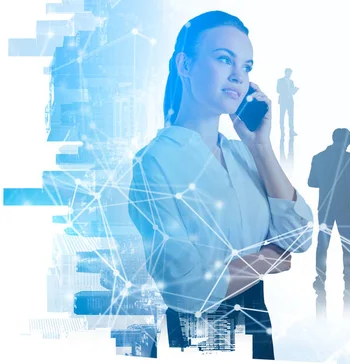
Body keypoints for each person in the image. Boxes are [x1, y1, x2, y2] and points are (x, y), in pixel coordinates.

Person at [127, 11, 313, 360]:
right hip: (197, 341)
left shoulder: (244, 154)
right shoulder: (155, 162)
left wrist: (261, 147)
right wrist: (266, 261)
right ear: (185, 65)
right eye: (224, 59)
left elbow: (300, 238)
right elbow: (186, 287)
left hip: (257, 333)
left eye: (247, 67)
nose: (238, 76)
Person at [308, 128, 350, 318]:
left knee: (322, 244)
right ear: (346, 141)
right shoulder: (347, 157)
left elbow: (311, 182)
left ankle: (320, 278)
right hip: (344, 207)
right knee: (347, 244)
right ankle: (349, 278)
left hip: (325, 206)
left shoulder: (318, 157)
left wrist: (326, 182)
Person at [276, 68, 299, 161]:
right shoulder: (280, 80)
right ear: (286, 73)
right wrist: (286, 91)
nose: (290, 75)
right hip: (283, 100)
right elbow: (278, 90)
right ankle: (282, 131)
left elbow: (292, 92)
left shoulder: (291, 81)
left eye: (291, 73)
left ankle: (291, 130)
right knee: (282, 116)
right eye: (289, 73)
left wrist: (294, 90)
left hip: (290, 100)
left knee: (291, 116)